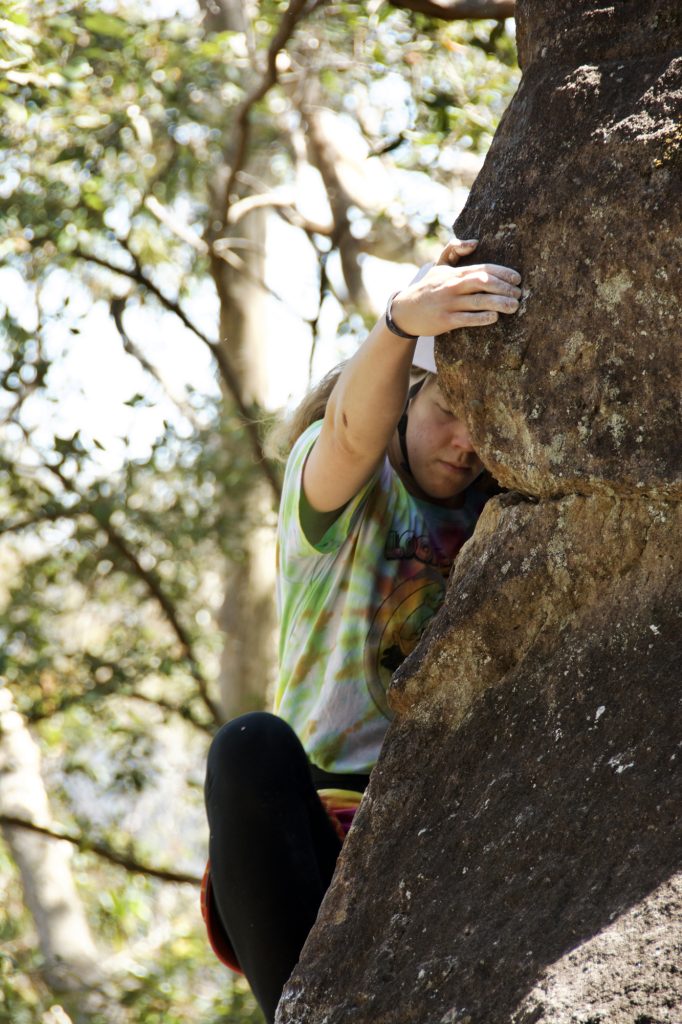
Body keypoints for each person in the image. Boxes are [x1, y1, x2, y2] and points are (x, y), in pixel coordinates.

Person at [202, 239, 522, 1022]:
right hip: (311, 825)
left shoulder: (510, 508)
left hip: (440, 814)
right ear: (411, 395)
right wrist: (397, 325)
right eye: (449, 412)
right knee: (248, 744)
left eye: (484, 424)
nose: (465, 444)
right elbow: (351, 427)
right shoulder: (339, 483)